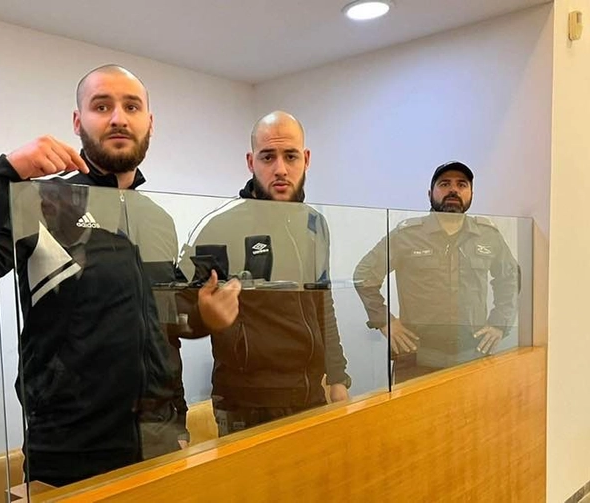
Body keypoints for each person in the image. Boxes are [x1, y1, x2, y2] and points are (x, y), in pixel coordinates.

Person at [0, 64, 184, 487]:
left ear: (149, 122)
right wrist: (4, 174)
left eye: (132, 107)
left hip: (162, 440)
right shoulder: (42, 202)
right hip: (69, 452)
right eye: (101, 106)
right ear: (78, 121)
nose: (118, 118)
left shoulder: (157, 219)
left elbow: (161, 327)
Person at [173, 111, 350, 437]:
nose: (280, 169)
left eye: (290, 156)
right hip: (246, 404)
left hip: (311, 394)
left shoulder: (315, 224)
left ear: (306, 159)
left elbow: (323, 303)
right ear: (250, 162)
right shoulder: (221, 226)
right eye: (268, 157)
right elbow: (176, 312)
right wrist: (204, 317)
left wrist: (338, 377)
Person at [353, 161, 520, 380]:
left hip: (472, 355)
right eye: (444, 184)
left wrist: (500, 322)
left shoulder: (488, 235)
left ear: (471, 194)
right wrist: (385, 320)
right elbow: (364, 275)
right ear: (430, 193)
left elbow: (510, 277)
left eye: (462, 185)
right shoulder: (407, 235)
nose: (453, 190)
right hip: (417, 358)